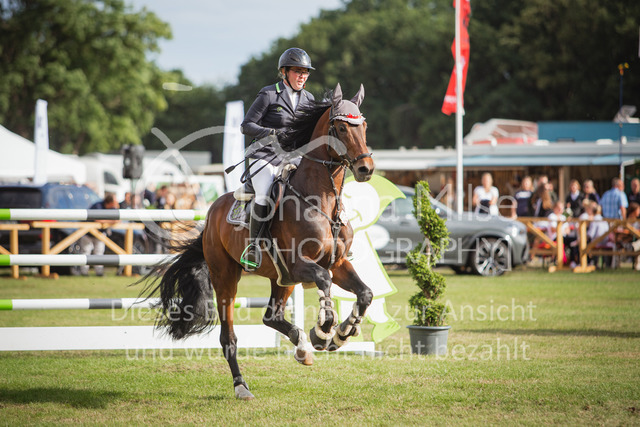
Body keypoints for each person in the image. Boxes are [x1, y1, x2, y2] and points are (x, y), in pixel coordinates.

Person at [238, 47, 316, 270]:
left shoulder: (309, 98)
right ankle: (253, 246)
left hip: (292, 156)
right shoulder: (269, 94)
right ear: (284, 72)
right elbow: (246, 125)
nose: (302, 76)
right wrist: (271, 132)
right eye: (297, 71)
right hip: (264, 156)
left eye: (305, 72)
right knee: (264, 193)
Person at [78, 193, 119, 276]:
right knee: (86, 251)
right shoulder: (98, 206)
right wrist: (110, 221)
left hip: (100, 233)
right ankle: (84, 272)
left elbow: (118, 220)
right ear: (110, 202)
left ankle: (99, 272)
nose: (116, 203)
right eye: (115, 201)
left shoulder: (112, 208)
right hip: (88, 233)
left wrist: (107, 221)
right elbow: (98, 219)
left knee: (99, 252)